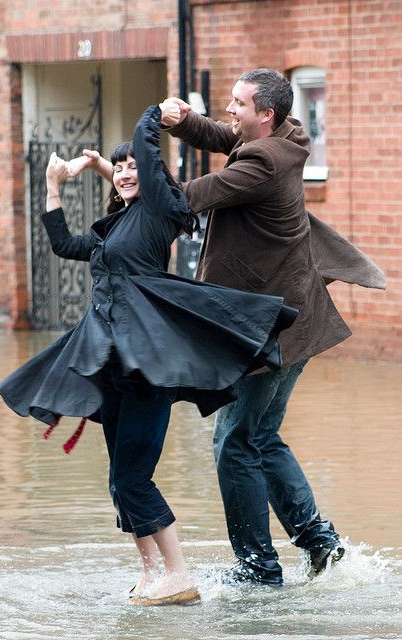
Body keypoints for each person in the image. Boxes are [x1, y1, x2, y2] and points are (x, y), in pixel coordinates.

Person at [0, 103, 298, 605]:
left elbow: (146, 160)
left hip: (148, 365)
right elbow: (64, 243)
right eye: (121, 167)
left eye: (135, 163)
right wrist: (54, 186)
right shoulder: (116, 227)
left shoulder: (162, 209)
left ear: (152, 174)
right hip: (115, 366)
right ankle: (152, 571)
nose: (128, 170)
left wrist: (156, 113)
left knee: (134, 477)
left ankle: (179, 575)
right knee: (120, 481)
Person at [159, 68, 386, 585]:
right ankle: (321, 545)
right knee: (261, 436)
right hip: (296, 324)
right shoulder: (288, 135)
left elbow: (189, 196)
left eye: (239, 104)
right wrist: (188, 122)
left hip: (267, 331)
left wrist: (132, 173)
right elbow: (227, 138)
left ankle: (258, 568)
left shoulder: (263, 160)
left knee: (234, 443)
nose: (230, 110)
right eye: (231, 102)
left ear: (266, 114)